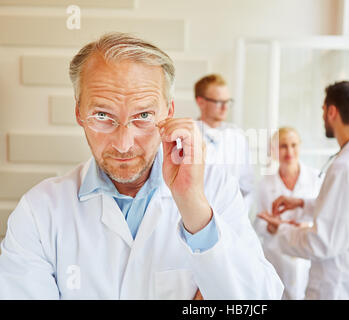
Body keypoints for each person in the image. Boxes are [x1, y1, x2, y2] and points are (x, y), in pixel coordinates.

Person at [0, 33, 283, 300]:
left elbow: (255, 300)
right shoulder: (39, 210)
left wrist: (193, 207)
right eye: (102, 115)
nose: (124, 143)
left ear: (168, 113)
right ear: (78, 112)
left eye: (144, 115)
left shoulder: (215, 190)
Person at [258, 81, 349, 300]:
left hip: (339, 286)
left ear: (331, 111)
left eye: (323, 110)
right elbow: (345, 209)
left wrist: (281, 230)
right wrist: (301, 203)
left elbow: (322, 243)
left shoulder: (346, 166)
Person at [253, 127, 323, 300]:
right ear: (274, 150)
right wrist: (270, 226)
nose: (289, 151)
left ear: (300, 146)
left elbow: (324, 218)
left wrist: (305, 226)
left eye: (293, 145)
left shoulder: (317, 179)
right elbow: (258, 222)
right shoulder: (264, 184)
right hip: (277, 257)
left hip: (306, 257)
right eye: (283, 146)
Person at [194, 74, 254, 212]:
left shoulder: (237, 137)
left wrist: (237, 215)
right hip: (194, 219)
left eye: (228, 102)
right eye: (219, 102)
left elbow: (247, 185)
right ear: (201, 102)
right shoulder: (184, 137)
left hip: (233, 218)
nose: (225, 107)